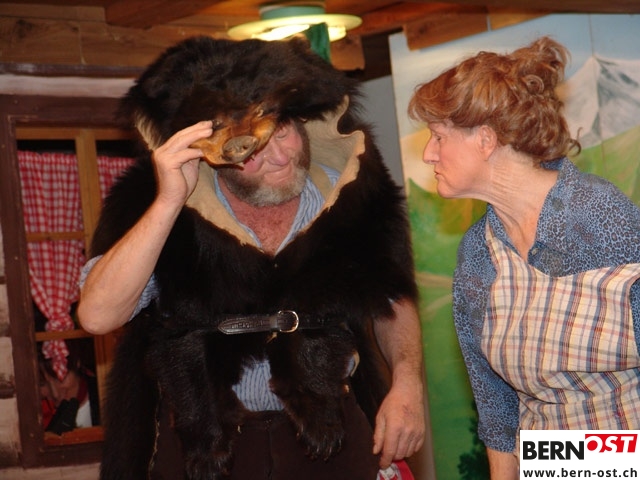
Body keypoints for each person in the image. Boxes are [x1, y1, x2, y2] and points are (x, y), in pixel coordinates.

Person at [78, 36, 425, 480]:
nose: (279, 158)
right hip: (203, 445)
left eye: (283, 132)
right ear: (211, 153)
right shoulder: (152, 206)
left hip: (331, 431)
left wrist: (408, 382)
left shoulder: (352, 194)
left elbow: (392, 298)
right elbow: (98, 315)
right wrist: (167, 203)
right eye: (252, 151)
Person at [408, 36, 640, 479]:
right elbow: (495, 402)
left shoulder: (599, 217)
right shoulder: (479, 252)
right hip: (547, 465)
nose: (428, 154)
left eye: (438, 137)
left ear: (485, 139)